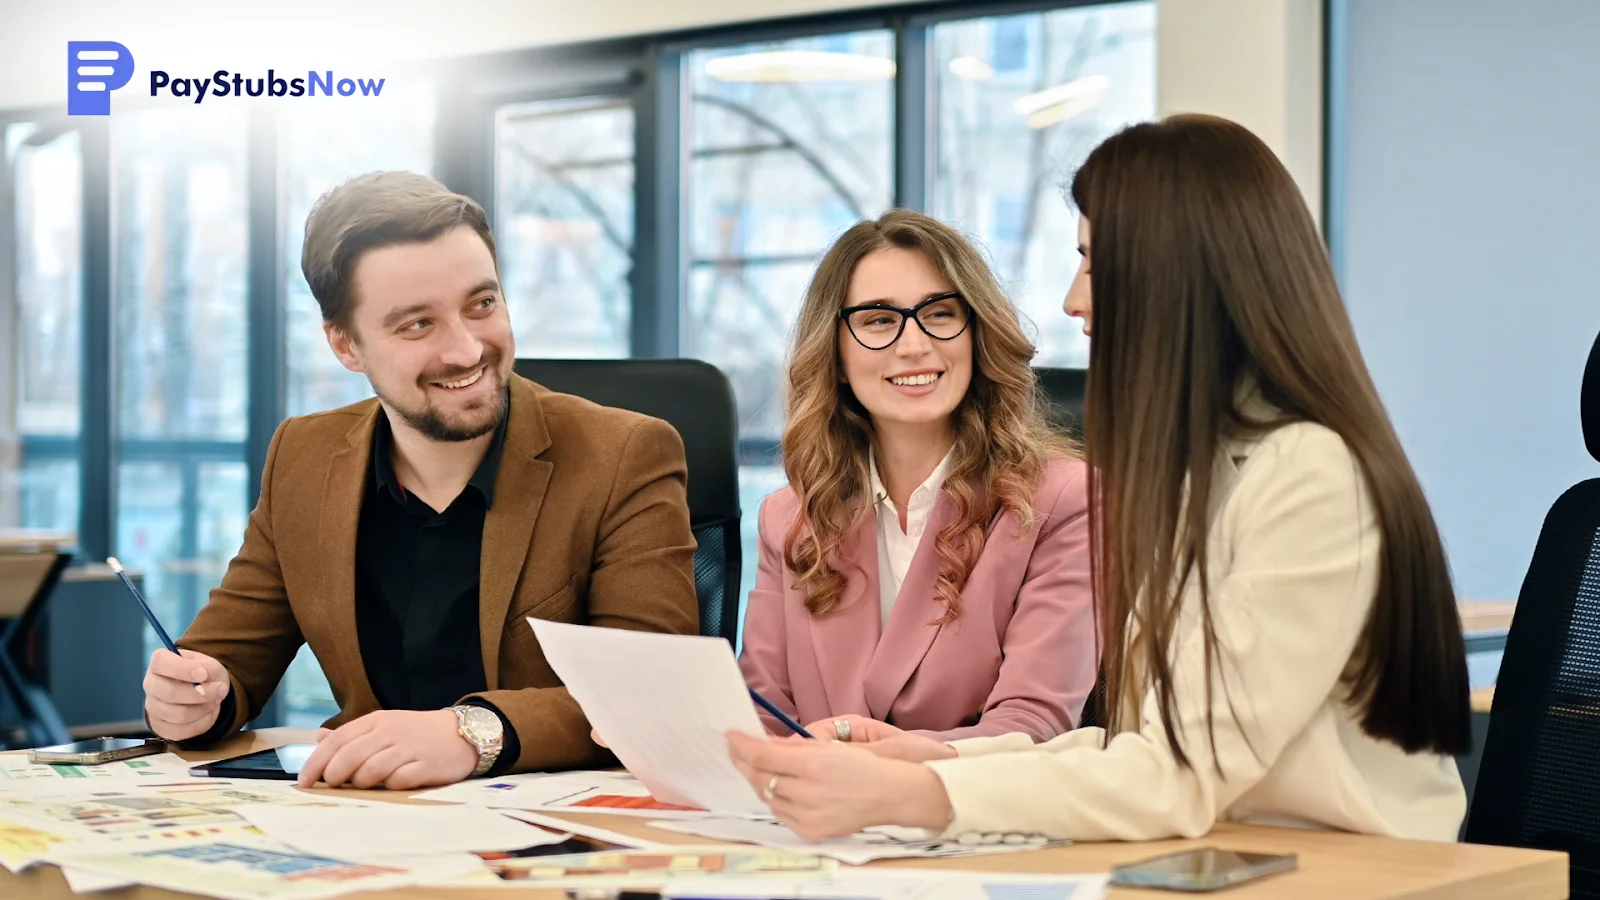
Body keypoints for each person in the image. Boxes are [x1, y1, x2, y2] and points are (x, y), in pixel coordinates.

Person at [727, 115, 1472, 843]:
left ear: (1178, 279)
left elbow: (1178, 775)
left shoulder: (1307, 476)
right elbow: (1142, 745)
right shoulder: (1200, 475)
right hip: (1234, 855)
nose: (1073, 300)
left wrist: (915, 792)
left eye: (1093, 262)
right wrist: (934, 759)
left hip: (1353, 871)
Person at [140, 172, 698, 789]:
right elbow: (226, 659)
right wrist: (194, 699)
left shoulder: (623, 455)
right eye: (417, 324)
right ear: (346, 345)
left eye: (481, 305)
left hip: (548, 822)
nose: (466, 350)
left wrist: (472, 733)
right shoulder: (304, 455)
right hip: (363, 811)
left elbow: (650, 694)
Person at [737, 209, 1097, 743]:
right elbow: (761, 718)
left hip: (969, 798)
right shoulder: (789, 518)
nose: (913, 345)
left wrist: (857, 758)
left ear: (977, 334)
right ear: (835, 353)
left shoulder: (1063, 502)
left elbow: (1030, 725)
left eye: (940, 313)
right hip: (811, 797)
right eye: (879, 320)